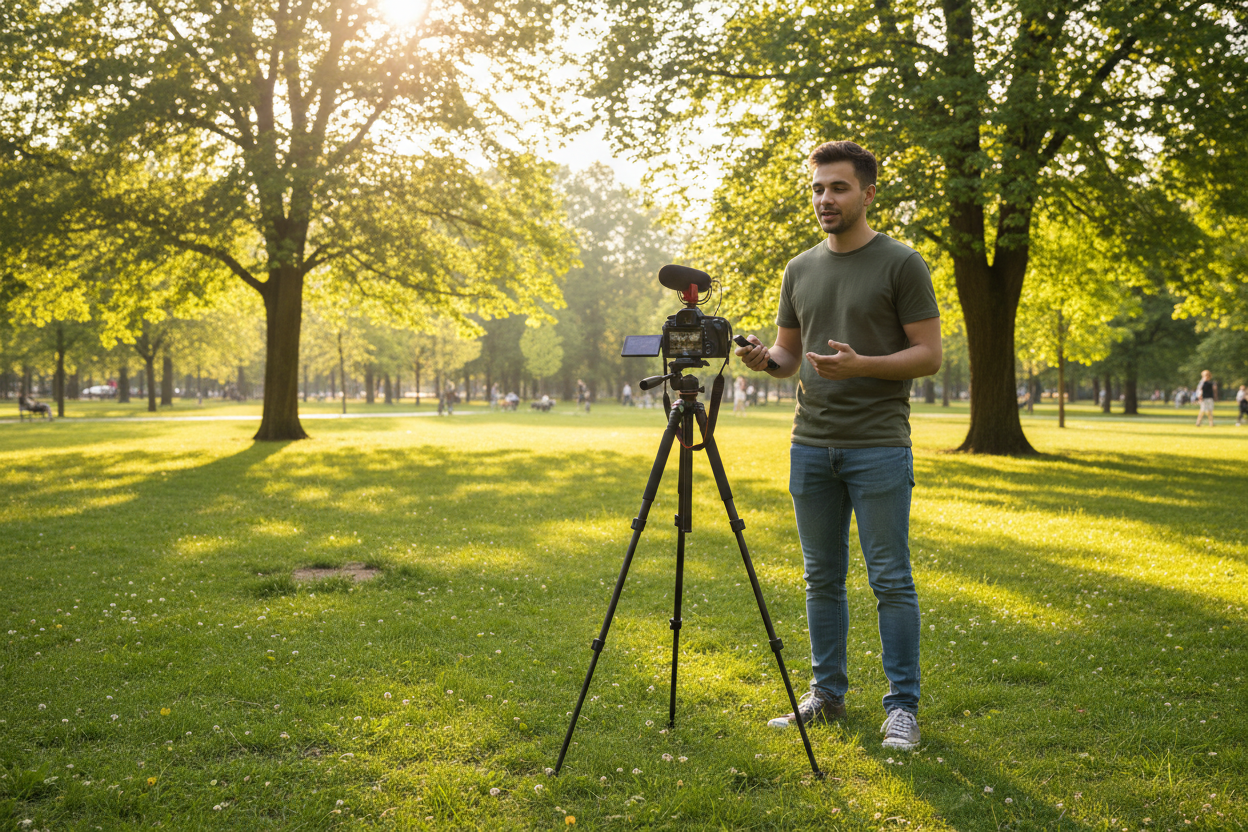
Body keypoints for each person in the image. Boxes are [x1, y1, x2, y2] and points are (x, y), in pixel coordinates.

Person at [735, 140, 941, 752]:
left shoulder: (902, 263)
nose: (826, 198)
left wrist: (863, 365)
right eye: (819, 188)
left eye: (839, 188)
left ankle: (901, 708)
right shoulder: (799, 269)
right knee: (820, 578)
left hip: (878, 445)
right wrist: (764, 360)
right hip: (810, 444)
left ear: (867, 194)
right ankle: (826, 695)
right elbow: (789, 354)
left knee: (890, 580)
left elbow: (929, 355)